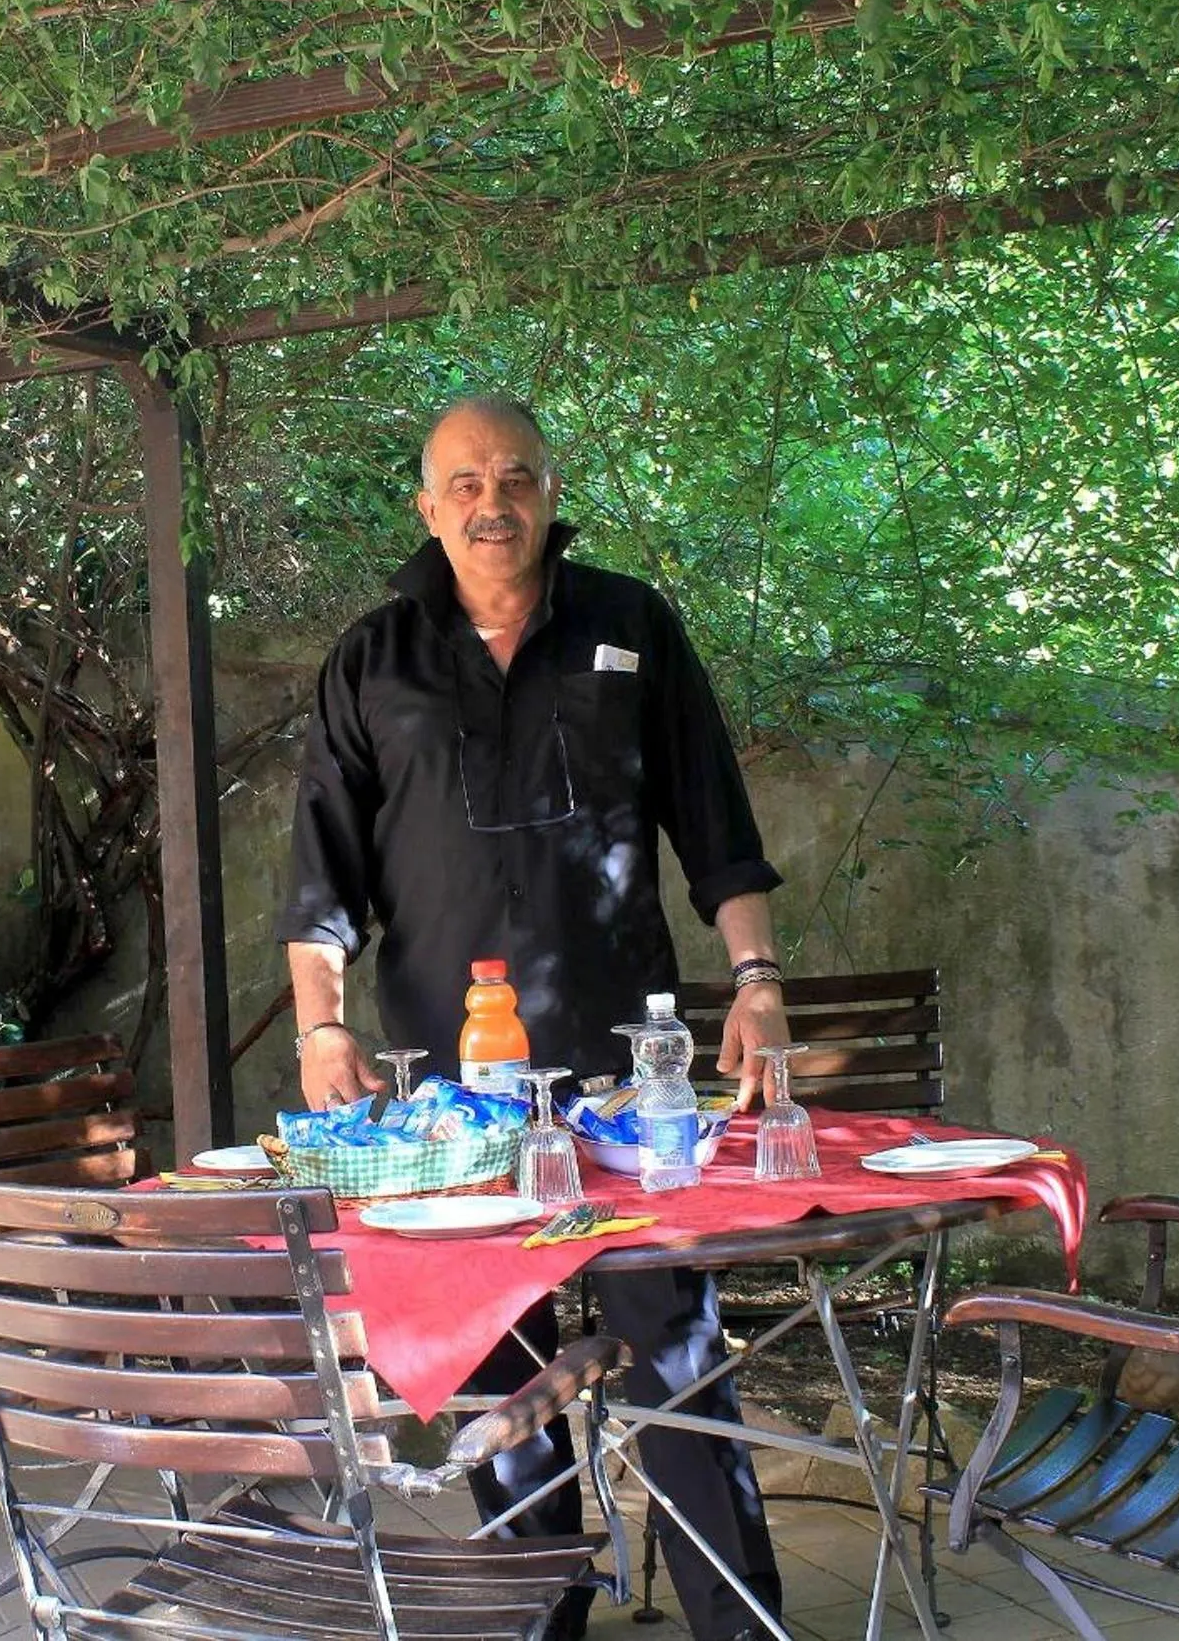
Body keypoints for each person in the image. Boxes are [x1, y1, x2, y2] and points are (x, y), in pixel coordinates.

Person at [276, 394, 796, 1641]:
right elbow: (320, 873)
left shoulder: (631, 625)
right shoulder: (373, 657)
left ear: (552, 492)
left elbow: (715, 825)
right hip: (451, 1094)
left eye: (514, 476)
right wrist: (320, 1027)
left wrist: (759, 982)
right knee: (496, 1359)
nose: (490, 501)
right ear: (427, 506)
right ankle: (537, 1619)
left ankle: (739, 1624)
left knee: (672, 1344)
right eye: (463, 482)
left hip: (628, 1078)